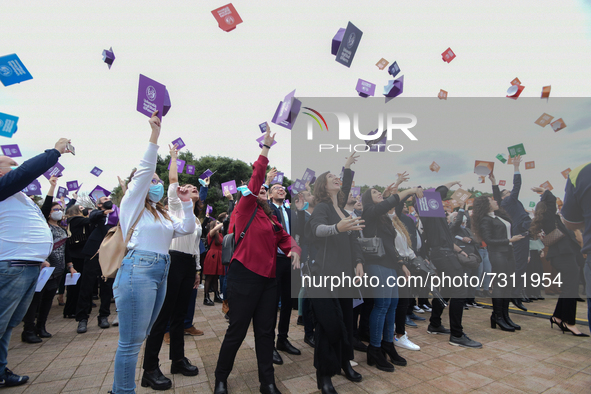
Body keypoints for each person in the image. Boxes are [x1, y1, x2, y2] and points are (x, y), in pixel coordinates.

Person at [111, 111, 196, 394]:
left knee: (143, 333)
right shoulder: (132, 205)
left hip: (162, 269)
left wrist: (185, 203)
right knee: (131, 340)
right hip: (138, 270)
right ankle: (123, 390)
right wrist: (155, 136)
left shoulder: (160, 214)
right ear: (142, 184)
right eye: (154, 180)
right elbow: (146, 168)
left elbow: (184, 228)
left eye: (160, 181)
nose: (158, 184)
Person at [213, 125, 300, 394]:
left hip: (269, 281)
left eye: (264, 191)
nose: (261, 192)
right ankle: (220, 378)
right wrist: (266, 148)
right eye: (259, 190)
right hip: (244, 277)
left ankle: (268, 383)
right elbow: (256, 177)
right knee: (237, 332)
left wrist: (294, 250)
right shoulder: (244, 207)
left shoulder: (272, 217)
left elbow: (286, 238)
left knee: (265, 333)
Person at [0, 138, 71, 388]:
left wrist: (39, 256)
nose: (16, 167)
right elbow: (26, 171)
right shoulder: (2, 187)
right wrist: (55, 152)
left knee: (8, 324)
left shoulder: (19, 196)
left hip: (28, 266)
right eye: (10, 164)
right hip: (11, 266)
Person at [141, 144, 203, 390]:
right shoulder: (176, 205)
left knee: (180, 316)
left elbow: (196, 246)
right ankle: (150, 368)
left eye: (196, 189)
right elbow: (174, 178)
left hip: (188, 264)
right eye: (191, 188)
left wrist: (197, 269)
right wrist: (174, 156)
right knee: (163, 316)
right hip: (173, 260)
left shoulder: (194, 218)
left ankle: (177, 359)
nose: (193, 190)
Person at [307, 163, 365, 394]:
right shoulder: (322, 207)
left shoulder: (343, 210)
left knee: (347, 323)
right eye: (330, 177)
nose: (336, 179)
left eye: (337, 177)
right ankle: (324, 375)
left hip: (346, 276)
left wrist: (359, 262)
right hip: (325, 276)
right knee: (328, 325)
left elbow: (354, 241)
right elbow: (316, 230)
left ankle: (344, 364)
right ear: (323, 184)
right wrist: (336, 228)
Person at [361, 183, 423, 372]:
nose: (378, 194)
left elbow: (391, 245)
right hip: (376, 265)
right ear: (367, 199)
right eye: (374, 192)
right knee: (381, 306)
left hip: (390, 266)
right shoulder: (369, 213)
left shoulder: (384, 219)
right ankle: (375, 348)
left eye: (379, 192)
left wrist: (401, 264)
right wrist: (410, 190)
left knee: (393, 306)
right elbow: (392, 201)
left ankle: (388, 344)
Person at [419, 181, 482, 348]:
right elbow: (438, 193)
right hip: (443, 255)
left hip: (444, 252)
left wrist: (460, 251)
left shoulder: (436, 218)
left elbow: (447, 239)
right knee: (460, 290)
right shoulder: (429, 214)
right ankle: (457, 334)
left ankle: (435, 324)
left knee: (447, 290)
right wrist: (450, 183)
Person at [21, 176, 77, 343]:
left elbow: (66, 249)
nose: (58, 211)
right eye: (55, 209)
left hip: (58, 270)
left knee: (47, 300)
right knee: (36, 300)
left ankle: (41, 327)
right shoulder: (43, 224)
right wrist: (52, 188)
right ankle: (28, 330)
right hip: (43, 269)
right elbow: (45, 207)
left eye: (60, 208)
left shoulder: (61, 228)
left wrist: (70, 266)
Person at [530, 187, 589, 337]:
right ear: (547, 208)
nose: (557, 205)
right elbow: (551, 200)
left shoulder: (551, 218)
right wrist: (544, 191)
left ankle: (557, 317)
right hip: (562, 255)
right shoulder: (549, 218)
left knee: (570, 287)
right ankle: (569, 322)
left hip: (564, 255)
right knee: (571, 288)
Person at [471, 196, 524, 332]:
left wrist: (494, 182)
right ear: (486, 205)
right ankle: (497, 316)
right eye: (492, 201)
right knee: (500, 285)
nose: (495, 202)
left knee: (507, 284)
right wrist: (509, 240)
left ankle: (505, 316)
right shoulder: (485, 220)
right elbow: (488, 239)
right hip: (498, 253)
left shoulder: (498, 216)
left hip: (508, 251)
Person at [490, 159, 531, 310]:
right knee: (520, 267)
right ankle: (515, 294)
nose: (510, 193)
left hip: (522, 234)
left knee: (519, 267)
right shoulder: (509, 201)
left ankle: (515, 293)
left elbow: (496, 193)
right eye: (507, 192)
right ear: (504, 197)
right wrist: (516, 167)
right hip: (519, 235)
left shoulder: (507, 203)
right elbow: (517, 185)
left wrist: (494, 181)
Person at [268, 176, 301, 363]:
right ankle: (270, 344)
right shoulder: (268, 209)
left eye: (282, 188)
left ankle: (283, 339)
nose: (281, 189)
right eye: (276, 188)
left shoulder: (290, 210)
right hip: (275, 260)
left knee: (288, 302)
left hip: (291, 260)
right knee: (273, 304)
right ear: (271, 194)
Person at [75, 194, 117, 333]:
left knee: (106, 285)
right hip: (94, 252)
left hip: (109, 253)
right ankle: (82, 318)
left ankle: (103, 316)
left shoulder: (117, 214)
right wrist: (103, 212)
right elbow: (92, 217)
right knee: (87, 285)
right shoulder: (97, 214)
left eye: (109, 198)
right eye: (105, 199)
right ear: (99, 204)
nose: (108, 199)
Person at [561, 162, 591, 333]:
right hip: (564, 252)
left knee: (571, 283)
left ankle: (560, 318)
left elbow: (572, 222)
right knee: (570, 282)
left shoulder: (580, 172)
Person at [63, 202, 92, 318]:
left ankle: (73, 309)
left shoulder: (71, 222)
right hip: (77, 256)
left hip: (76, 255)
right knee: (77, 285)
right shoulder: (75, 220)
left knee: (75, 285)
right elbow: (90, 220)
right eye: (81, 209)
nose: (84, 210)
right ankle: (73, 309)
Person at [203, 220, 224, 305]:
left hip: (218, 255)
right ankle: (206, 297)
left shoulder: (220, 234)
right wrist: (224, 222)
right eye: (217, 223)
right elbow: (215, 229)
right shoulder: (211, 233)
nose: (219, 225)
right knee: (209, 277)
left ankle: (216, 295)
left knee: (215, 277)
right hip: (212, 255)